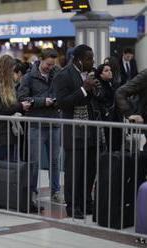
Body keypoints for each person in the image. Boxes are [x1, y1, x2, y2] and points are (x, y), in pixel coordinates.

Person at [0, 54, 33, 210]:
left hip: (6, 132)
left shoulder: (0, 84)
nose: (13, 73)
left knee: (5, 168)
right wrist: (20, 107)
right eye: (11, 70)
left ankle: (4, 197)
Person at [53, 44, 98, 219]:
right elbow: (62, 102)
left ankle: (87, 203)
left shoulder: (90, 74)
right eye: (89, 58)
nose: (92, 61)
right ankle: (73, 207)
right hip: (74, 132)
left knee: (89, 171)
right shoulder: (63, 75)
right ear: (79, 60)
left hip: (91, 130)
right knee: (74, 172)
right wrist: (83, 89)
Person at [18, 49, 62, 203]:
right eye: (48, 64)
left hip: (54, 123)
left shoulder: (57, 74)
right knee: (34, 161)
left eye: (52, 65)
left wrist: (57, 100)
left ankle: (56, 191)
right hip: (36, 124)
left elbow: (62, 92)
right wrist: (43, 102)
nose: (50, 67)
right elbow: (22, 98)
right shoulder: (29, 77)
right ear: (41, 60)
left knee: (55, 160)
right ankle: (32, 191)